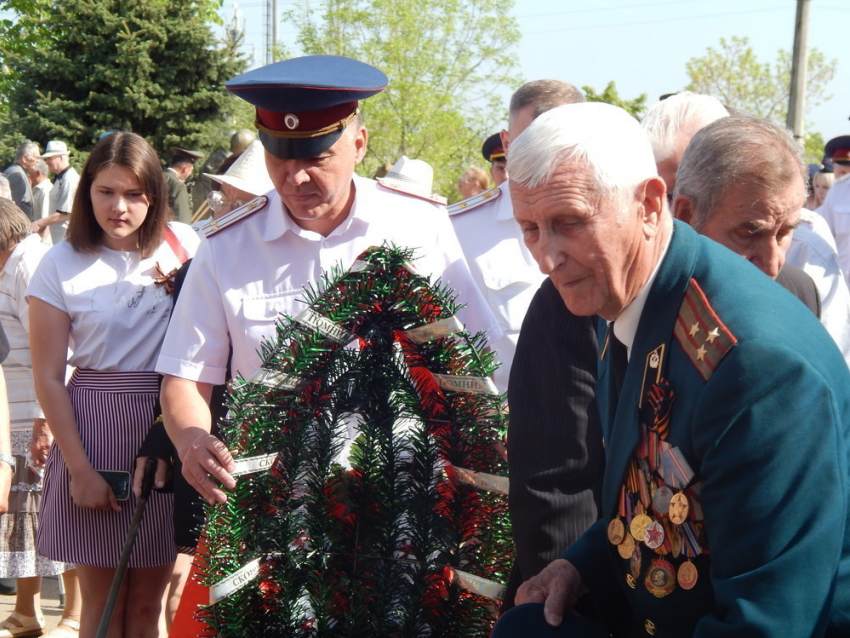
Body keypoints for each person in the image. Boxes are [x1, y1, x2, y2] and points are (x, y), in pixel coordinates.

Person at [493, 102, 850, 637]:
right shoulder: (640, 295)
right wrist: (578, 566)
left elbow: (768, 622)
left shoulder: (754, 365)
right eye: (530, 228)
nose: (546, 256)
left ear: (650, 205)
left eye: (569, 222)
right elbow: (649, 496)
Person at [28, 131, 199, 636]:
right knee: (103, 609)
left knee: (149, 606)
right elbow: (48, 376)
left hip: (169, 425)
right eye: (105, 191)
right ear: (86, 193)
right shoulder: (59, 262)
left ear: (155, 195)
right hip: (91, 427)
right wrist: (78, 469)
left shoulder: (187, 245)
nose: (118, 206)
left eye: (134, 194)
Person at [450, 80, 599, 607]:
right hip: (477, 468)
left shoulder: (603, 227)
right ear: (507, 144)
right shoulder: (455, 232)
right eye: (523, 142)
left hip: (579, 473)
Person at [672, 116, 850, 368]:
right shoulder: (635, 299)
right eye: (748, 233)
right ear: (686, 216)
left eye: (784, 233)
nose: (772, 263)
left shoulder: (802, 294)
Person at [0, 200, 81, 637]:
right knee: (22, 520)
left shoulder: (30, 264)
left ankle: (74, 613)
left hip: (39, 410)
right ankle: (27, 610)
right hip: (14, 411)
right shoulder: (11, 263)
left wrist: (43, 421)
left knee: (53, 517)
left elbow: (52, 352)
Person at [32, 142, 79, 246]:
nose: (47, 162)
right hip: (61, 239)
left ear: (61, 158)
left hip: (68, 239)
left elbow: (64, 213)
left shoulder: (69, 179)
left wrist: (40, 223)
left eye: (50, 158)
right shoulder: (61, 178)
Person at [162, 147, 204, 225]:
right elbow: (182, 221)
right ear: (186, 169)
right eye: (191, 171)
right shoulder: (178, 186)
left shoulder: (157, 178)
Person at [3, 143, 39, 221]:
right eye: (36, 157)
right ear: (25, 158)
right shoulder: (16, 175)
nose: (37, 161)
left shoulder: (18, 172)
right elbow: (14, 208)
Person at [29, 159, 53, 244]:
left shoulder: (45, 190)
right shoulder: (37, 189)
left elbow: (45, 218)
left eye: (30, 173)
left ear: (37, 173)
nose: (28, 176)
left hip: (42, 240)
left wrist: (43, 242)